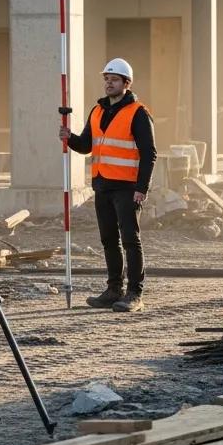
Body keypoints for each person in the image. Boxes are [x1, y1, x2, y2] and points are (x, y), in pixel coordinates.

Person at [60, 58, 157, 313]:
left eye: (114, 79)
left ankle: (134, 294)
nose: (109, 83)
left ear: (126, 83)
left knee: (130, 240)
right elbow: (87, 145)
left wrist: (142, 188)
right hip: (102, 185)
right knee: (109, 240)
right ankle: (114, 290)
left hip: (127, 187)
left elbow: (149, 153)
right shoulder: (97, 111)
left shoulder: (138, 113)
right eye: (106, 79)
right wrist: (70, 138)